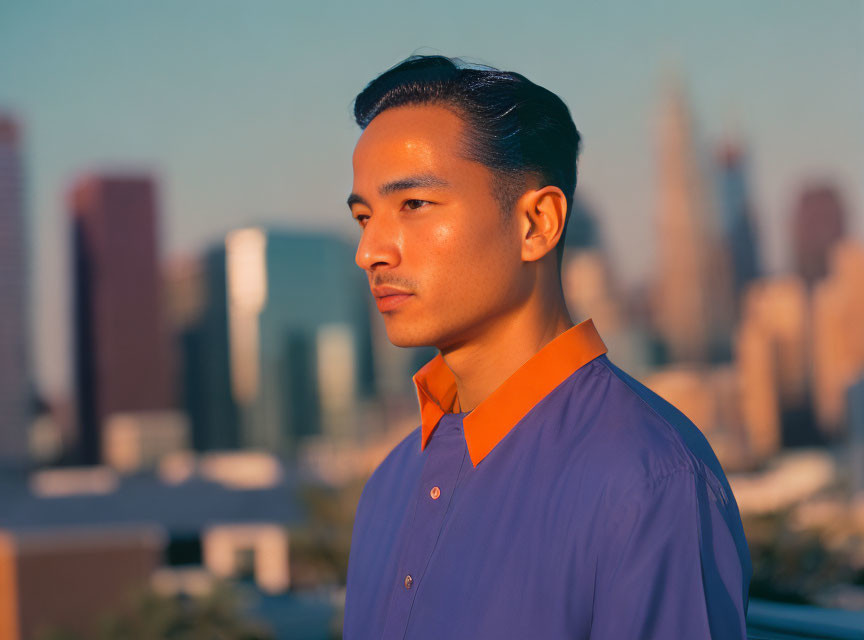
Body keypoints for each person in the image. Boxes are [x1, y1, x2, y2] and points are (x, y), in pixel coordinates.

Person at [342, 54, 751, 639]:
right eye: (363, 217)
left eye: (414, 205)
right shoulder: (389, 483)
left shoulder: (648, 481)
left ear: (537, 223)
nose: (371, 251)